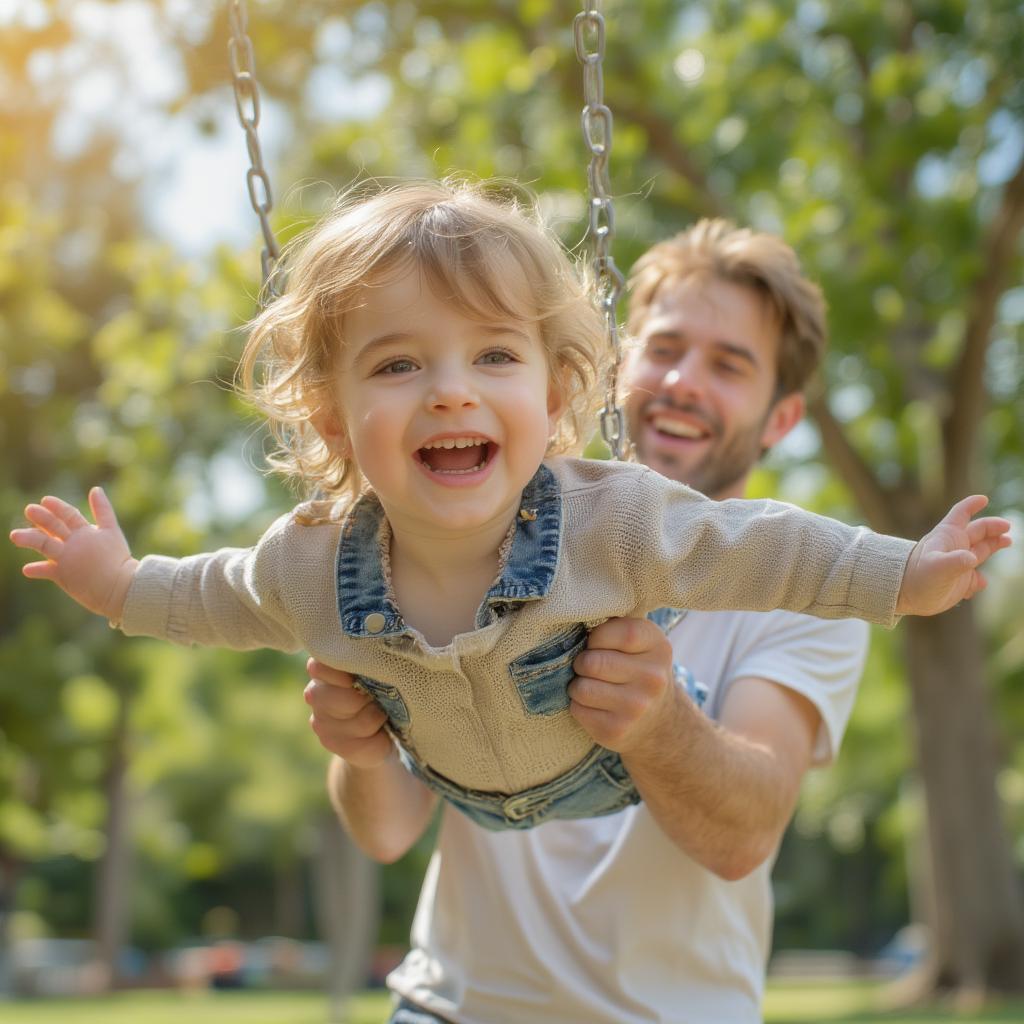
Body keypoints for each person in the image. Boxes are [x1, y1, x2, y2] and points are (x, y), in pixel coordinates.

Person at [11, 183, 1006, 834]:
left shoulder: (619, 517)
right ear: (333, 413)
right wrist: (121, 585)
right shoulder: (307, 564)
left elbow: (776, 551)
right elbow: (208, 596)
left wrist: (904, 573)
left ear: (555, 395)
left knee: (680, 567)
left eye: (492, 355)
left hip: (616, 818)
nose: (450, 391)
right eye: (399, 364)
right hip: (458, 848)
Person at [303, 218, 1009, 1022]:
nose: (681, 383)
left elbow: (742, 837)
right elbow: (386, 833)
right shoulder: (470, 530)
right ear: (612, 364)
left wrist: (659, 719)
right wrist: (359, 752)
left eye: (729, 365)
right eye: (664, 348)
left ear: (780, 420)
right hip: (451, 1006)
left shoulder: (808, 588)